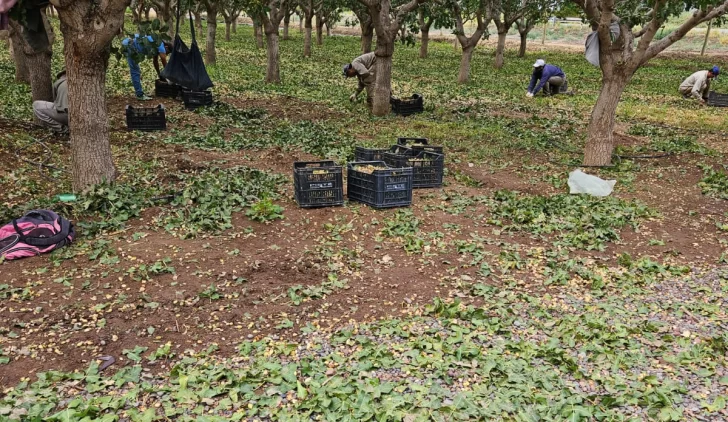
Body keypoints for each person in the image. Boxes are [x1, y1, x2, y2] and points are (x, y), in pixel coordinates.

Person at [122, 35, 169, 100]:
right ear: (166, 47)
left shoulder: (156, 44)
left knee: (135, 70)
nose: (165, 54)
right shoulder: (160, 44)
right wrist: (168, 75)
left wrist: (159, 74)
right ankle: (139, 95)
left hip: (128, 42)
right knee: (135, 71)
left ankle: (139, 93)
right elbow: (163, 59)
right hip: (130, 45)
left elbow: (155, 61)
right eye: (167, 52)